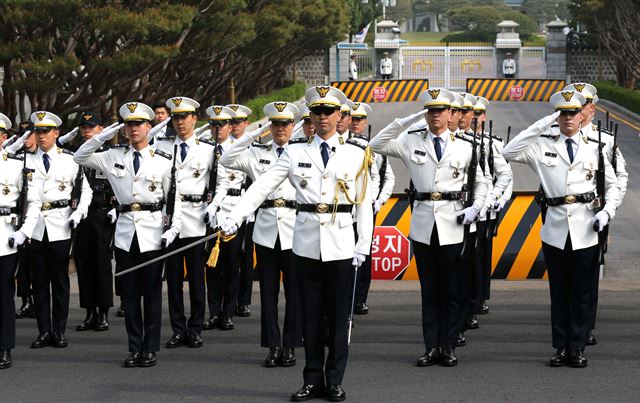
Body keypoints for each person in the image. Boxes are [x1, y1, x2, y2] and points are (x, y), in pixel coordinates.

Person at [220, 86, 373, 402]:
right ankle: (312, 379)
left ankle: (335, 380)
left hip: (342, 244)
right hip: (304, 245)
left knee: (340, 316)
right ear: (310, 117)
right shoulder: (294, 152)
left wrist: (363, 246)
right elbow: (262, 186)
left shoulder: (356, 154)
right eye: (316, 112)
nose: (322, 117)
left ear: (340, 116)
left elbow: (364, 204)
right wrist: (236, 215)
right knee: (312, 317)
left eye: (328, 111)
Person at [370, 88, 487, 367]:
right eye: (430, 110)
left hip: (453, 223)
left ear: (451, 114)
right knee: (430, 291)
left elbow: (481, 182)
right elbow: (375, 144)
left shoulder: (465, 147)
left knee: (452, 290)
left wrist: (475, 208)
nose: (435, 115)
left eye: (440, 110)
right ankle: (431, 347)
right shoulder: (410, 142)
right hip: (423, 225)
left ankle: (448, 346)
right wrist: (406, 121)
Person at [502, 90, 619, 368]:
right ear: (557, 116)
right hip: (555, 228)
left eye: (573, 113)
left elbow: (612, 186)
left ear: (582, 116)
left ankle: (577, 347)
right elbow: (509, 151)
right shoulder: (542, 145)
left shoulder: (596, 147)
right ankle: (561, 347)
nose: (568, 118)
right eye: (563, 113)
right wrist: (543, 124)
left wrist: (607, 212)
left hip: (586, 228)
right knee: (559, 293)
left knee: (582, 293)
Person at [74, 102, 182, 368]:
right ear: (123, 129)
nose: (134, 129)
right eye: (129, 125)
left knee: (153, 293)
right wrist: (101, 136)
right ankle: (135, 347)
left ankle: (151, 348)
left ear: (149, 127)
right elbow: (79, 157)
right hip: (125, 232)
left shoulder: (163, 160)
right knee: (130, 295)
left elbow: (173, 198)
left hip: (153, 231)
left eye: (139, 124)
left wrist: (173, 228)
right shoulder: (112, 155)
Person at [220, 101, 303, 368]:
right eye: (275, 124)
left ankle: (290, 345)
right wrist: (254, 133)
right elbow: (227, 158)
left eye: (285, 124)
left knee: (294, 292)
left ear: (293, 126)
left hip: (294, 230)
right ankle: (272, 345)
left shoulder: (303, 152)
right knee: (268, 294)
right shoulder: (257, 153)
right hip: (266, 229)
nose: (280, 129)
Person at [563, 82, 628, 346]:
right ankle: (569, 327)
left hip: (594, 216)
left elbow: (619, 178)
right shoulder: (558, 134)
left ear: (593, 108)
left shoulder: (605, 140)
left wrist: (608, 210)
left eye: (585, 105)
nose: (581, 110)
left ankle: (585, 326)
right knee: (565, 278)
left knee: (589, 276)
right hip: (564, 216)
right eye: (576, 106)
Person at [26, 111, 93, 349]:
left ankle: (59, 330)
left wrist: (79, 212)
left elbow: (87, 191)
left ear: (57, 133)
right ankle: (44, 331)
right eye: (38, 131)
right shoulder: (26, 160)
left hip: (60, 224)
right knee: (40, 281)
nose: (41, 136)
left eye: (46, 132)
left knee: (60, 281)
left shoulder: (69, 159)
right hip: (35, 227)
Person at [154, 97, 216, 349]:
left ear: (194, 119)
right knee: (174, 277)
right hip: (169, 219)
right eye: (176, 118)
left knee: (197, 278)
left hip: (195, 216)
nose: (180, 123)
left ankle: (196, 327)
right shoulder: (162, 147)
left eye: (184, 117)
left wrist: (214, 207)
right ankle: (178, 328)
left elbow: (216, 182)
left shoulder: (208, 149)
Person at [346, 101, 395, 315]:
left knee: (364, 257)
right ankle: (346, 298)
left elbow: (385, 177)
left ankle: (360, 299)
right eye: (352, 119)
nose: (355, 123)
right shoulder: (340, 145)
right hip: (345, 212)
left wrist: (377, 201)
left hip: (366, 210)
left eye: (359, 120)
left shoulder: (372, 147)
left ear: (365, 122)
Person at [1, 113, 41, 369]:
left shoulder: (16, 166)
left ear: (4, 137)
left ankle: (3, 347)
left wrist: (25, 231)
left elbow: (33, 202)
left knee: (3, 293)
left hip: (4, 235)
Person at [71, 113, 116, 332]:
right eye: (83, 127)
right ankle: (89, 312)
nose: (87, 131)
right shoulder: (75, 155)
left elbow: (119, 184)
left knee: (101, 264)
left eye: (91, 127)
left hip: (101, 213)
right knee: (84, 264)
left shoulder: (109, 154)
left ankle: (104, 312)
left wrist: (115, 207)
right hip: (81, 215)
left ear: (101, 129)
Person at [201, 105, 242, 331]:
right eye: (214, 125)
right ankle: (214, 312)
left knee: (231, 265)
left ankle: (228, 312)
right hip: (210, 213)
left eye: (222, 124)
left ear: (230, 126)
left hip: (232, 211)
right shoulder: (205, 150)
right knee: (212, 267)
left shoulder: (239, 149)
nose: (218, 129)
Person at [227, 104, 255, 319]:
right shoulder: (223, 148)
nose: (235, 126)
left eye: (238, 122)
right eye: (232, 122)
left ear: (246, 123)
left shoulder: (255, 148)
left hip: (249, 207)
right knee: (228, 259)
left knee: (246, 257)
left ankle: (243, 300)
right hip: (226, 208)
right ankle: (228, 301)